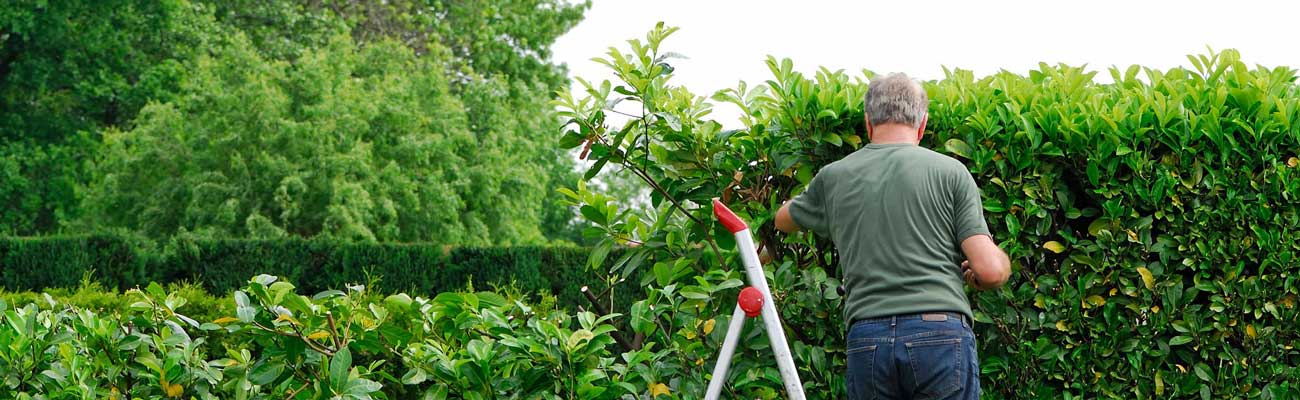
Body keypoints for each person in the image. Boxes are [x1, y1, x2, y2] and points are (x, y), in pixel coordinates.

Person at [774, 72, 1011, 400]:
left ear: (868, 122)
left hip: (868, 337)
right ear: (922, 123)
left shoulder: (835, 177)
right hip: (939, 334)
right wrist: (991, 268)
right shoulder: (950, 172)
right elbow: (991, 270)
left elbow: (783, 220)